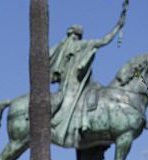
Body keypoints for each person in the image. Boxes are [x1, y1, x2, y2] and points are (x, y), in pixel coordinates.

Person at [49, 1, 128, 147]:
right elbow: (104, 40)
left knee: (94, 95)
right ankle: (75, 126)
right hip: (73, 86)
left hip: (78, 84)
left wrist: (119, 25)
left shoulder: (62, 47)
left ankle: (83, 125)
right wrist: (118, 26)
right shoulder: (76, 45)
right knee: (80, 100)